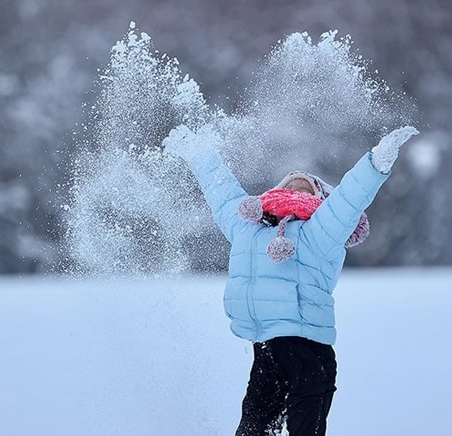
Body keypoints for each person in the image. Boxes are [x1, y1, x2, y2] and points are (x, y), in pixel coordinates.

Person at [162, 124, 418, 435]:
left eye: (306, 189)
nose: (296, 191)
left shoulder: (321, 232)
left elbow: (348, 200)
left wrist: (376, 163)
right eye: (290, 186)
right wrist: (199, 154)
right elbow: (223, 194)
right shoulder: (249, 229)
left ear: (321, 200)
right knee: (252, 429)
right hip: (267, 350)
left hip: (310, 352)